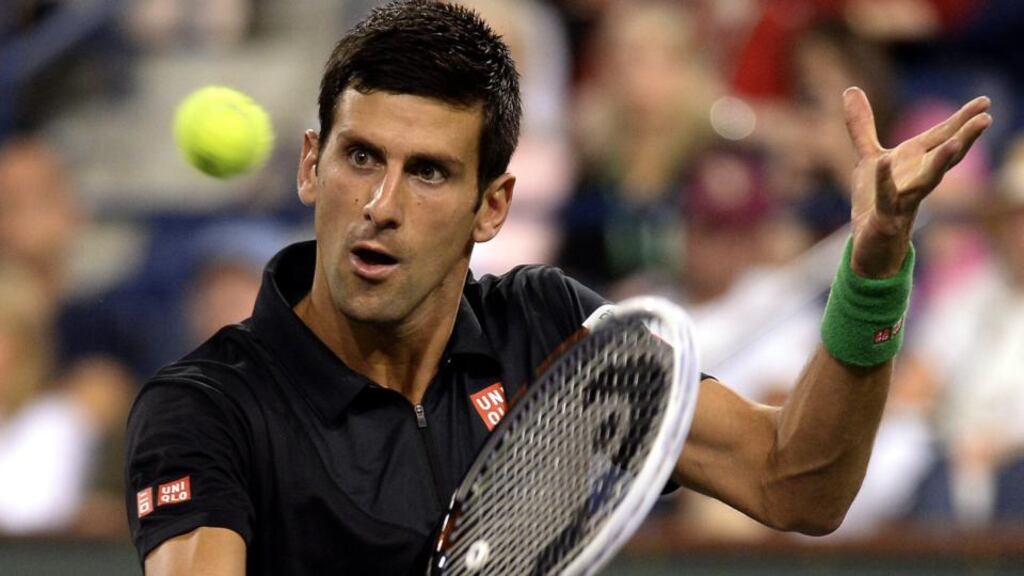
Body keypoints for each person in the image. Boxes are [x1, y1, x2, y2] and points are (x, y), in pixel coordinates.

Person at [125, 1, 992, 574]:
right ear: (312, 166)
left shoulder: (543, 329)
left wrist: (873, 267)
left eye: (428, 172)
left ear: (493, 207)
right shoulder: (208, 406)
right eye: (360, 158)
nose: (381, 205)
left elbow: (797, 484)